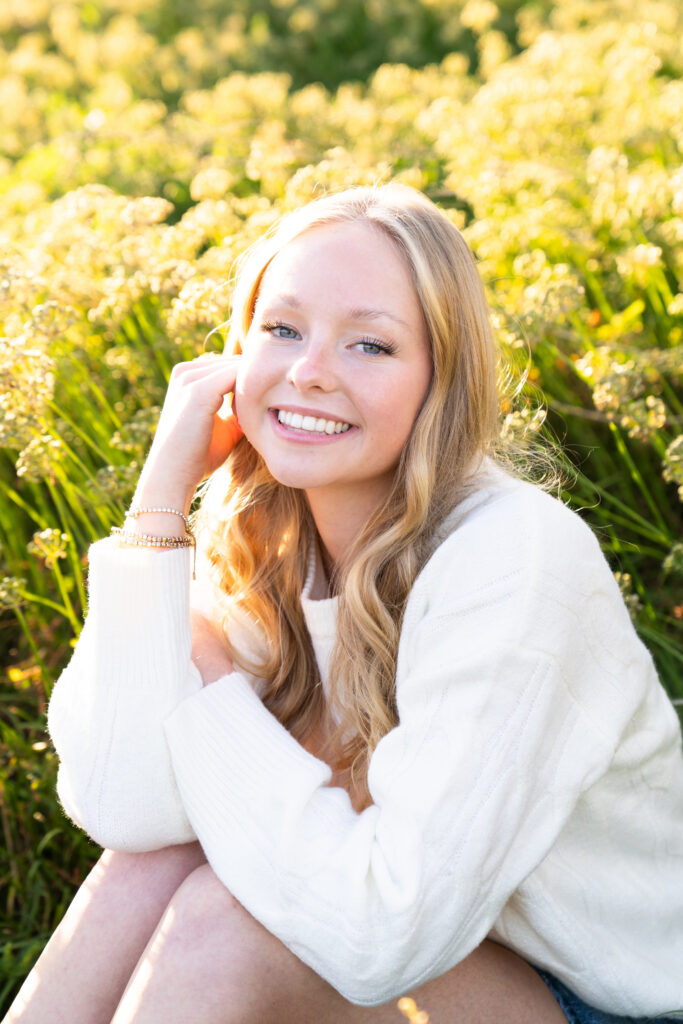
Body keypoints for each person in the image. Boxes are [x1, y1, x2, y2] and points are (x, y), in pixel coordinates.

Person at [6, 185, 683, 1024]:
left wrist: (209, 682)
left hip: (610, 1005)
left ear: (442, 380)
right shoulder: (263, 542)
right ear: (235, 352)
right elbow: (128, 812)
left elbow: (380, 940)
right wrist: (157, 513)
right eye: (282, 329)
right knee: (150, 871)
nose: (310, 371)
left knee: (229, 925)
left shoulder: (513, 555)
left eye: (369, 344)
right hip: (445, 968)